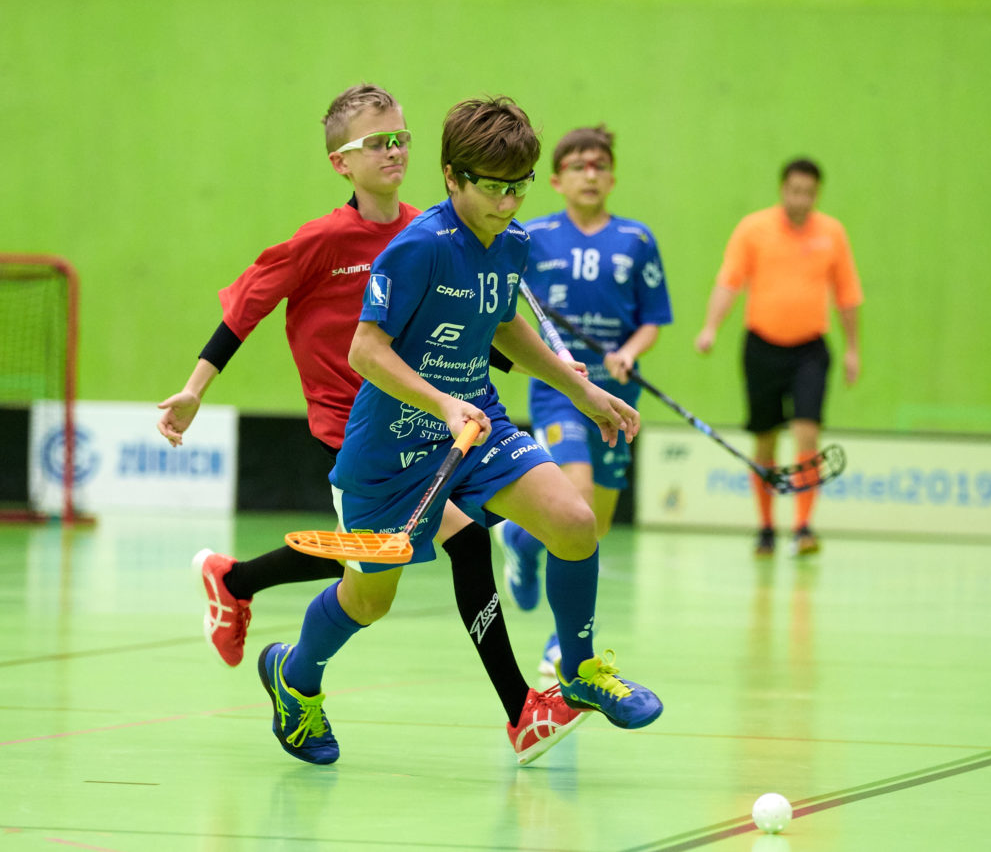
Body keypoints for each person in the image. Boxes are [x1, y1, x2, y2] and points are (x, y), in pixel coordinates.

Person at [156, 84, 583, 765]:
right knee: (398, 568)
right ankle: (282, 653)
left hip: (439, 426)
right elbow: (246, 308)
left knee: (415, 554)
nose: (394, 150)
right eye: (376, 142)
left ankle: (240, 589)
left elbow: (474, 321)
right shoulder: (321, 240)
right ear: (340, 163)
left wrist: (551, 369)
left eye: (401, 138)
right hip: (353, 428)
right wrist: (192, 388)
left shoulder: (440, 226)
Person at [256, 95, 663, 766]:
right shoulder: (417, 249)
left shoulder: (513, 242)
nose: (507, 204)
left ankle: (580, 669)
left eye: (518, 187)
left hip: (479, 429)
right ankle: (293, 678)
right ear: (452, 176)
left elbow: (503, 323)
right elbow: (365, 351)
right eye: (492, 188)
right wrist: (442, 403)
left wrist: (582, 390)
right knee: (367, 600)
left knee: (574, 521)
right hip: (389, 455)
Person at [496, 125, 673, 677]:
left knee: (596, 522)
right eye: (578, 166)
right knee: (577, 493)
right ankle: (559, 637)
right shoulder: (532, 235)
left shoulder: (637, 240)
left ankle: (523, 543)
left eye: (599, 165)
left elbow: (653, 319)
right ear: (557, 179)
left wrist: (630, 351)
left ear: (612, 176)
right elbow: (503, 298)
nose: (590, 174)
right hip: (561, 390)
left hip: (617, 393)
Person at [694, 157, 862, 557]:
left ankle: (803, 527)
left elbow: (848, 295)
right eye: (794, 190)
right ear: (782, 189)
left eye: (809, 192)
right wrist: (710, 327)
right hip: (762, 348)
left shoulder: (832, 234)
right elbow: (729, 281)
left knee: (807, 432)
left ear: (816, 194)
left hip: (810, 349)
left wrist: (854, 349)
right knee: (765, 441)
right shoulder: (754, 229)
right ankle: (766, 528)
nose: (800, 198)